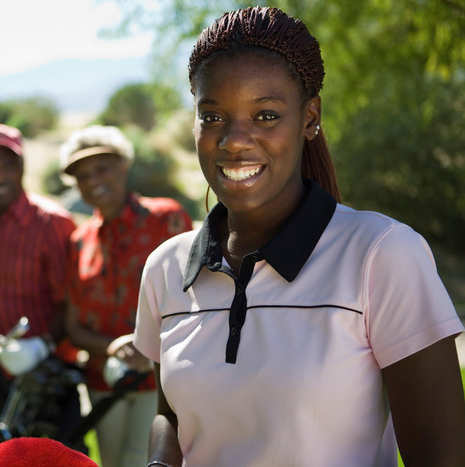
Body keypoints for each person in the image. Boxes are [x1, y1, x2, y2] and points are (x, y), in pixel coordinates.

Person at [134, 6, 465, 467]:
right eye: (212, 117)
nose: (233, 140)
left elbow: (440, 453)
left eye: (266, 115)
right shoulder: (165, 268)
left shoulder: (381, 254)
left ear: (310, 118)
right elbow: (170, 413)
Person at [60, 125, 193, 467]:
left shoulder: (167, 219)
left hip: (160, 381)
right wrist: (111, 347)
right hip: (104, 383)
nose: (92, 180)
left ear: (123, 166)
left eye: (101, 168)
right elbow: (73, 326)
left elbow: (195, 299)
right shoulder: (79, 241)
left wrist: (146, 347)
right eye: (82, 175)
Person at [0, 123, 77, 427]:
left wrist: (43, 345)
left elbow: (70, 301)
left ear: (22, 166)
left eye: (8, 165)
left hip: (39, 377)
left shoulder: (52, 222)